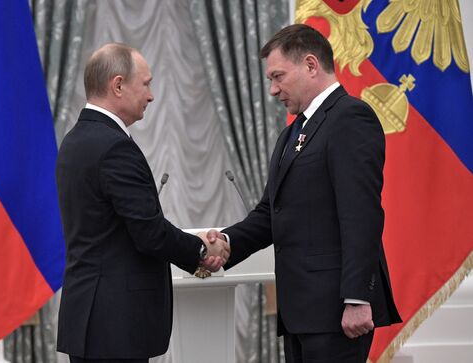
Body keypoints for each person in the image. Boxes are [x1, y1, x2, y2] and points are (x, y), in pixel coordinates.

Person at [207, 24, 401, 363]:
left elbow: (361, 214)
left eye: (278, 76)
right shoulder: (293, 131)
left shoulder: (349, 117)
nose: (272, 89)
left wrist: (357, 298)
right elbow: (271, 212)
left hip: (337, 311)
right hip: (300, 311)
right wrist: (226, 241)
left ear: (311, 65)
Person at [55, 43, 230, 363]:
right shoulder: (112, 147)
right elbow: (149, 232)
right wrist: (202, 250)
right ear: (118, 85)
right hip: (114, 326)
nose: (151, 96)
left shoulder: (75, 140)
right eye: (146, 84)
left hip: (91, 320)